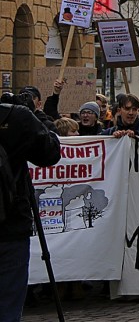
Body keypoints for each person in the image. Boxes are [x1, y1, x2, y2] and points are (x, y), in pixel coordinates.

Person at [0, 98, 61, 320]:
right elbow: (51, 153)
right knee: (8, 302)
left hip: (11, 227)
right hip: (10, 226)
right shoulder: (16, 117)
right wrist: (38, 117)